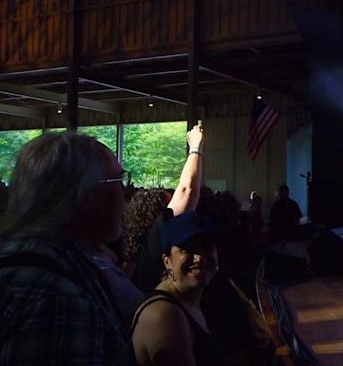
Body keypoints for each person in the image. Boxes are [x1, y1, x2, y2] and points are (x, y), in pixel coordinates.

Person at [0, 132, 130, 364]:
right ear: (85, 196)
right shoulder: (60, 301)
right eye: (118, 181)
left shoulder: (17, 259)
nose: (125, 193)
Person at [131, 211, 223, 366]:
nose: (199, 257)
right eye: (187, 249)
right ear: (167, 261)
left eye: (206, 247)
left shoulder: (191, 299)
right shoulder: (164, 315)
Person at [133, 124, 205, 293]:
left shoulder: (136, 248)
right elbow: (188, 191)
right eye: (170, 202)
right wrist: (195, 148)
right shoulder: (156, 236)